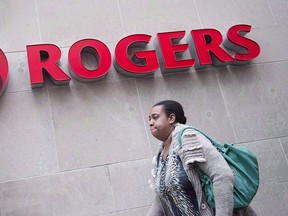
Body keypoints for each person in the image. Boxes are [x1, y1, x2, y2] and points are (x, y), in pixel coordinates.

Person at [147, 100, 257, 216]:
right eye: (149, 119)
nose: (150, 122)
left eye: (155, 117)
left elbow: (222, 175)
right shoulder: (161, 155)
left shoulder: (187, 138)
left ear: (171, 118)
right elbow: (163, 196)